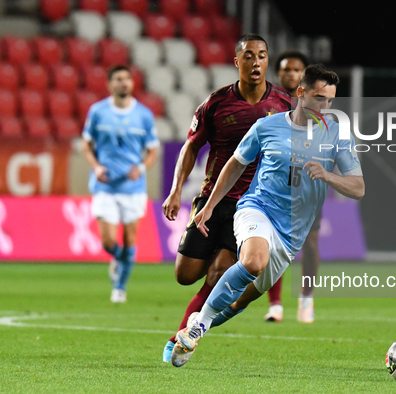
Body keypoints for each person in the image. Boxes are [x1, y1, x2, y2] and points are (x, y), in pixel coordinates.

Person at [170, 64, 364, 367]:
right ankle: (197, 326)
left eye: (329, 101)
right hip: (256, 209)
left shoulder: (336, 134)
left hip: (291, 236)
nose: (324, 107)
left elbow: (358, 186)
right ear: (301, 93)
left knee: (235, 303)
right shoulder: (267, 126)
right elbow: (235, 164)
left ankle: (200, 325)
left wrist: (328, 176)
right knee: (252, 261)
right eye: (318, 98)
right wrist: (209, 205)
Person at [161, 34, 292, 362]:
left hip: (252, 207)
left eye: (262, 55)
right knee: (184, 275)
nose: (256, 62)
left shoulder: (285, 106)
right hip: (213, 200)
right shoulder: (216, 104)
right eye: (248, 56)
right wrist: (176, 190)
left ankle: (182, 336)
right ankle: (202, 307)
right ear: (237, 62)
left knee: (219, 273)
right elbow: (191, 146)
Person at [80, 65, 159, 303]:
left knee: (130, 238)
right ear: (109, 84)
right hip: (105, 185)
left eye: (127, 79)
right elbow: (86, 144)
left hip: (133, 188)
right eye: (118, 79)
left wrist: (141, 168)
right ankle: (117, 258)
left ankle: (120, 288)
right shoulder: (98, 111)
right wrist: (96, 166)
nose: (123, 83)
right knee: (107, 241)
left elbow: (153, 149)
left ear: (132, 84)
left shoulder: (144, 114)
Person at [264, 50, 321, 324]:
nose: (290, 73)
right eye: (286, 69)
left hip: (308, 183)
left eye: (296, 69)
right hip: (276, 183)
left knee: (309, 244)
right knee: (275, 245)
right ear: (278, 73)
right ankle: (275, 304)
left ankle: (306, 298)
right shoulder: (268, 102)